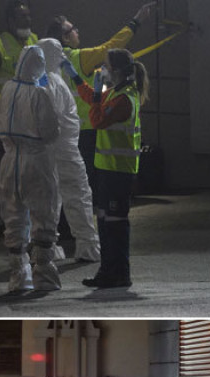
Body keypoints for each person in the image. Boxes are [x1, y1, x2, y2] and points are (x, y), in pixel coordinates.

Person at [71, 48, 148, 288]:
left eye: (105, 65)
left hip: (119, 171)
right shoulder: (115, 92)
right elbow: (90, 97)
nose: (101, 70)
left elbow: (97, 120)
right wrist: (73, 76)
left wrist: (96, 95)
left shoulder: (125, 98)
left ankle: (120, 273)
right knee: (104, 222)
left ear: (115, 70)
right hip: (106, 169)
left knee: (116, 223)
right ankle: (107, 271)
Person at [45, 3, 154, 172]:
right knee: (91, 180)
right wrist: (136, 21)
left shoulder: (47, 61)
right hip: (88, 129)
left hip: (60, 131)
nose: (77, 31)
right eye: (73, 29)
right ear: (65, 38)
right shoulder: (79, 57)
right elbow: (111, 47)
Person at [0, 45, 61, 291]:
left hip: (10, 159)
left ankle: (18, 276)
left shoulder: (7, 89)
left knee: (13, 215)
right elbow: (51, 131)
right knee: (44, 213)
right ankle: (43, 274)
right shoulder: (39, 94)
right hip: (35, 159)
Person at [37, 38, 100, 262]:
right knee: (78, 194)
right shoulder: (53, 81)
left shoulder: (39, 80)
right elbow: (55, 117)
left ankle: (47, 246)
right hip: (65, 147)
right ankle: (87, 245)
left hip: (45, 149)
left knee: (49, 197)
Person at [0, 0, 39, 96]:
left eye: (29, 16)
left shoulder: (34, 39)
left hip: (32, 103)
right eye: (23, 16)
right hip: (9, 106)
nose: (28, 20)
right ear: (11, 20)